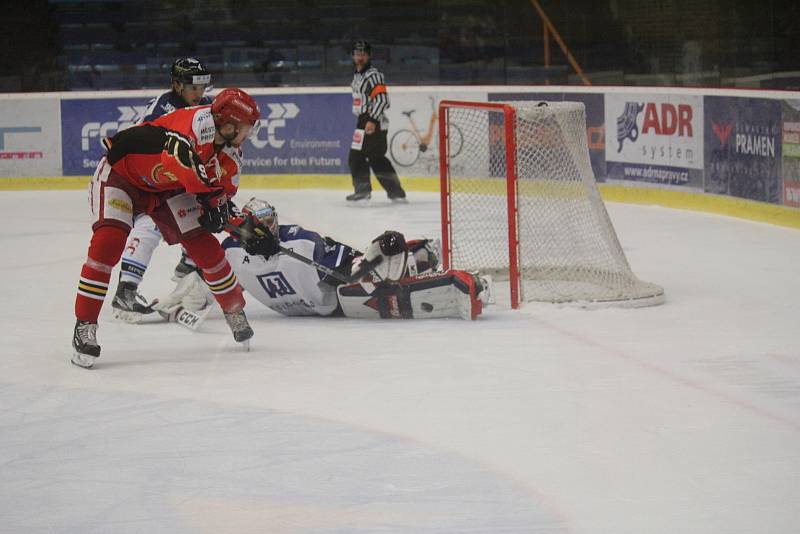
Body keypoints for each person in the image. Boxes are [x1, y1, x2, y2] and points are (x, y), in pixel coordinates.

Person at [71, 88, 261, 368]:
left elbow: (221, 200)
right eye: (246, 129)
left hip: (165, 187)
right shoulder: (191, 130)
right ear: (229, 125)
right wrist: (216, 207)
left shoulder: (230, 156)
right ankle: (84, 325)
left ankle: (234, 310)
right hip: (122, 176)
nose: (248, 136)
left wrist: (245, 229)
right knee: (107, 244)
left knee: (204, 245)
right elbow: (189, 170)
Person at [154, 198, 492, 322]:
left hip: (337, 300)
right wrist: (171, 308)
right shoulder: (231, 251)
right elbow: (204, 284)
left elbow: (353, 269)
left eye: (271, 222)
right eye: (261, 224)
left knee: (382, 282)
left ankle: (424, 256)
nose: (267, 230)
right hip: (327, 305)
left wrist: (378, 254)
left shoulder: (301, 242)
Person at [111, 57, 215, 322]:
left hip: (180, 178)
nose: (199, 93)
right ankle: (126, 289)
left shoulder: (205, 106)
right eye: (193, 87)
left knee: (202, 219)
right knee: (149, 225)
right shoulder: (161, 109)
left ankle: (189, 268)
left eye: (203, 87)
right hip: (153, 179)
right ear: (177, 85)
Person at [347, 40, 407, 203]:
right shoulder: (358, 76)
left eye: (363, 54)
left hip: (373, 121)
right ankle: (395, 193)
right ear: (352, 56)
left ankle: (366, 191)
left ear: (369, 56)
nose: (360, 57)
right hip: (364, 120)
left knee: (358, 157)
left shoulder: (373, 75)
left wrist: (372, 120)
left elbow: (382, 100)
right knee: (374, 158)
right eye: (357, 54)